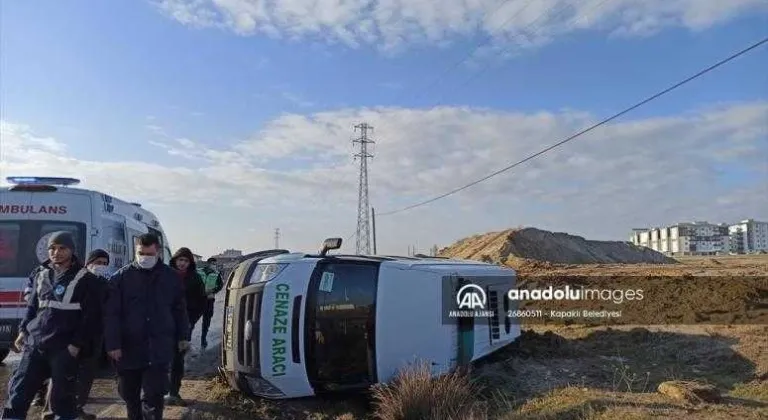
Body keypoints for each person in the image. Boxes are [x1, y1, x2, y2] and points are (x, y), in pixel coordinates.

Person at [1, 231, 101, 420]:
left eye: (62, 248)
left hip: (64, 347)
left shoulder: (87, 279)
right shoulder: (41, 274)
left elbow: (90, 318)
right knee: (19, 392)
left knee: (62, 399)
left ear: (72, 250)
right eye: (52, 248)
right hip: (36, 343)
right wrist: (23, 332)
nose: (56, 252)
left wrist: (75, 345)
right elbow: (32, 307)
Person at [104, 233, 189, 420]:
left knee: (154, 397)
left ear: (157, 252)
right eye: (141, 253)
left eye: (149, 254)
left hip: (158, 347)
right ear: (135, 251)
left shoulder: (171, 278)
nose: (144, 258)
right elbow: (111, 315)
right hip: (128, 349)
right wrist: (113, 344)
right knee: (130, 396)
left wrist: (183, 337)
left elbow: (180, 310)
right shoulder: (121, 278)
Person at [166, 247, 207, 406]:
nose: (182, 263)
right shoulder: (165, 275)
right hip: (163, 323)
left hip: (184, 324)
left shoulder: (195, 278)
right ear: (174, 260)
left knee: (177, 358)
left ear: (190, 263)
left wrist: (191, 321)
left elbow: (202, 302)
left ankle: (173, 392)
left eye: (185, 261)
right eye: (180, 260)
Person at [197, 257, 223, 349]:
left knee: (206, 320)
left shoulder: (217, 274)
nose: (214, 265)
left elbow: (220, 285)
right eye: (212, 263)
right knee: (191, 319)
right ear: (208, 263)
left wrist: (213, 290)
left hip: (209, 300)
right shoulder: (199, 271)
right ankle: (187, 338)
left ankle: (203, 339)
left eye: (215, 264)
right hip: (197, 300)